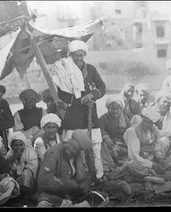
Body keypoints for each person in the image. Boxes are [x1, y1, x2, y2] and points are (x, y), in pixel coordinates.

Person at [52, 40, 106, 183]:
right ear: (71, 55)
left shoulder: (91, 69)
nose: (79, 59)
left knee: (95, 146)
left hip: (90, 113)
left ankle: (98, 175)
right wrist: (80, 100)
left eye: (81, 55)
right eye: (76, 56)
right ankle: (76, 176)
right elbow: (62, 95)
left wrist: (92, 95)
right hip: (74, 114)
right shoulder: (64, 71)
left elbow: (102, 86)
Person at [35, 130, 94, 207]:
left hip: (71, 195)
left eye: (76, 149)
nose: (71, 149)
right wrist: (68, 184)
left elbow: (83, 178)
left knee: (99, 197)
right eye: (72, 146)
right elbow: (44, 181)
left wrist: (83, 186)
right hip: (51, 194)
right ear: (70, 141)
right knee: (44, 204)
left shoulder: (78, 156)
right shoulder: (53, 152)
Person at [123, 107, 164, 174]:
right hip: (138, 160)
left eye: (150, 123)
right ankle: (149, 173)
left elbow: (156, 148)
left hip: (150, 158)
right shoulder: (132, 131)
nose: (147, 124)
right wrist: (151, 165)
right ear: (143, 118)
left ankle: (151, 173)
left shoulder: (154, 130)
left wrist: (160, 158)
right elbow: (134, 156)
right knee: (132, 164)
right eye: (145, 121)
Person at [99, 95, 130, 168]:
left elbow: (129, 131)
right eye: (112, 108)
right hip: (109, 144)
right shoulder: (103, 118)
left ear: (120, 109)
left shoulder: (125, 119)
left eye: (117, 108)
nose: (115, 111)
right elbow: (100, 129)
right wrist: (106, 137)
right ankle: (108, 166)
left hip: (122, 144)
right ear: (108, 109)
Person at [4, 132, 38, 198]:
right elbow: (4, 166)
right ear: (12, 146)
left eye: (21, 145)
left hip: (28, 179)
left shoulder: (30, 151)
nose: (18, 148)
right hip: (15, 178)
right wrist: (11, 159)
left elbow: (33, 167)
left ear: (24, 144)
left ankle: (25, 196)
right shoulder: (10, 153)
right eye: (15, 145)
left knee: (26, 173)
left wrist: (20, 170)